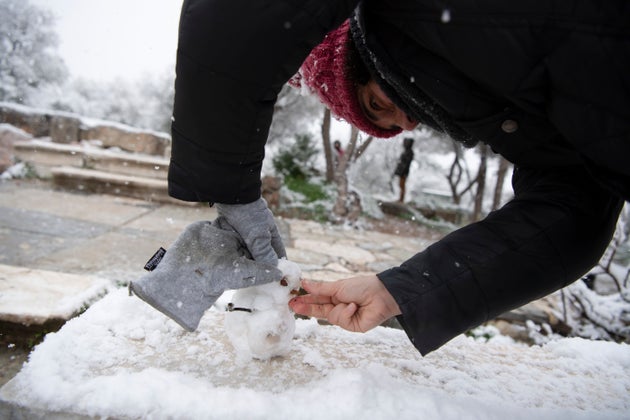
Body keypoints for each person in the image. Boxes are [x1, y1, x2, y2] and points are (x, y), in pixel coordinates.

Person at [137, 0, 628, 356]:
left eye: (378, 103)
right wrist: (399, 290)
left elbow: (237, 16)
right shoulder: (522, 120)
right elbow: (571, 213)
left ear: (362, 54)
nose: (411, 120)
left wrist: (231, 190)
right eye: (391, 122)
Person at [394, 138, 414, 203]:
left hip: (404, 172)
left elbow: (406, 163)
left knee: (402, 185)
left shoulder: (409, 152)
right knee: (401, 185)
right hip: (402, 171)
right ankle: (400, 198)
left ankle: (401, 199)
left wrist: (402, 171)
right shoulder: (407, 151)